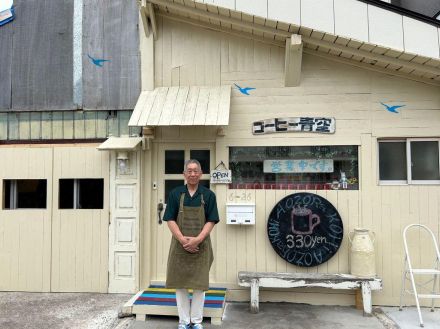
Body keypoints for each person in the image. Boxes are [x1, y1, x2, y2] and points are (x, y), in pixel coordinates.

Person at [163, 159, 219, 329]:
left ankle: (196, 321)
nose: (193, 174)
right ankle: (183, 321)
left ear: (201, 174)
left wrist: (197, 240)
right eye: (189, 171)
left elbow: (211, 220)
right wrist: (182, 240)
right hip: (179, 246)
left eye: (196, 171)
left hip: (201, 246)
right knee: (179, 284)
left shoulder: (208, 195)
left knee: (199, 285)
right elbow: (170, 219)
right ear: (184, 174)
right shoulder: (175, 194)